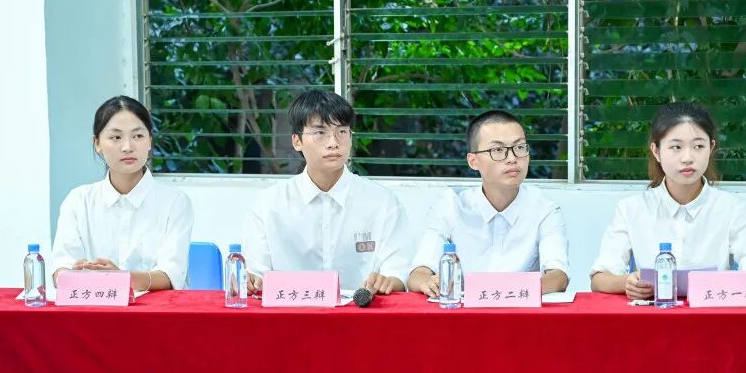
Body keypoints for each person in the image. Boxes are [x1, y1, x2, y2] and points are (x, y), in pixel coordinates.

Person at [589, 102, 746, 300]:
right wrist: (628, 282)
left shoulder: (731, 208)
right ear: (656, 151)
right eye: (676, 147)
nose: (687, 158)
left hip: (711, 315)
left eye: (698, 146)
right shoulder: (631, 208)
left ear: (711, 147)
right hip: (653, 314)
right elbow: (599, 278)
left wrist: (726, 282)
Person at [244, 90, 411, 293]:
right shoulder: (269, 205)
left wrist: (388, 282)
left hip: (361, 310)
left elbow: (398, 273)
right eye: (320, 133)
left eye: (342, 132)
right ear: (297, 141)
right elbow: (256, 276)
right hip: (289, 310)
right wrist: (250, 280)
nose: (333, 143)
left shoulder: (382, 202)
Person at [407, 109, 569, 297]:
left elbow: (558, 278)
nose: (512, 158)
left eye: (519, 147)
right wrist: (428, 282)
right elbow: (418, 274)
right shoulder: (450, 205)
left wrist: (496, 294)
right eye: (498, 150)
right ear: (473, 161)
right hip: (463, 312)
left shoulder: (544, 209)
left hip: (521, 312)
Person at [51, 95, 194, 291]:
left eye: (138, 136)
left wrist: (120, 279)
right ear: (97, 143)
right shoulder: (78, 201)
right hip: (93, 306)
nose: (127, 147)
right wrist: (69, 274)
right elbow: (61, 267)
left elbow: (171, 275)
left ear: (150, 141)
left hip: (158, 309)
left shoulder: (175, 202)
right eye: (116, 137)